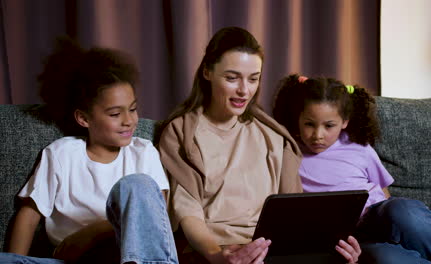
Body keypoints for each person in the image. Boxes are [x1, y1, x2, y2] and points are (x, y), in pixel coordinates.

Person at [157, 27, 361, 264]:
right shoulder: (181, 133)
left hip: (275, 250)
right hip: (218, 249)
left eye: (253, 79)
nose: (244, 90)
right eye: (232, 78)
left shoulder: (272, 135)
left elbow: (294, 214)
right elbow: (187, 211)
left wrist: (335, 252)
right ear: (207, 72)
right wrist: (217, 255)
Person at [0, 37, 178, 264]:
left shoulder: (143, 152)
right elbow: (28, 216)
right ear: (83, 118)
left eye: (132, 109)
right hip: (72, 259)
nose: (129, 121)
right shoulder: (62, 154)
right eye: (115, 114)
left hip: (128, 255)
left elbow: (154, 217)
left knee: (137, 184)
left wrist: (92, 233)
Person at [271, 74, 431, 264]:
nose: (318, 135)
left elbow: (384, 193)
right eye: (309, 124)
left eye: (329, 126)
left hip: (377, 218)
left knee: (404, 210)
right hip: (350, 238)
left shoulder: (359, 147)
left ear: (344, 122)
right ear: (298, 119)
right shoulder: (290, 153)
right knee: (386, 258)